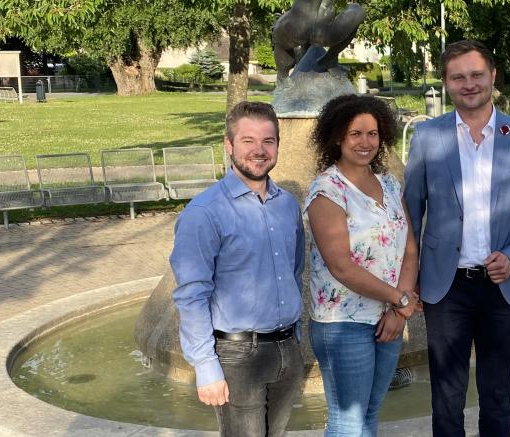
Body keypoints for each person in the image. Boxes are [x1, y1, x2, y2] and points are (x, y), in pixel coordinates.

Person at [403, 39, 510, 437]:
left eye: (475, 75)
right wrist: (409, 279)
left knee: (497, 397)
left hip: (502, 286)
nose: (468, 84)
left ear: (492, 76)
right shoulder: (427, 137)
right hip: (445, 287)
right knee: (446, 401)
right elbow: (409, 211)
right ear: (446, 82)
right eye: (458, 77)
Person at [171, 101, 306, 437]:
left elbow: (294, 270)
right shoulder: (204, 213)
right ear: (228, 145)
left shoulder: (288, 205)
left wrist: (296, 335)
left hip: (286, 349)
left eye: (268, 141)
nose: (259, 151)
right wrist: (205, 367)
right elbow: (191, 295)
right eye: (248, 141)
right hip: (237, 356)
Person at [303, 94, 420, 436]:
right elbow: (341, 266)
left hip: (387, 318)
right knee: (348, 422)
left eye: (372, 134)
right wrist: (400, 300)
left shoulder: (388, 182)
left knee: (369, 416)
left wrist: (399, 310)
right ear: (338, 136)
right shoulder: (327, 190)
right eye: (355, 133)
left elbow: (409, 250)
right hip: (343, 323)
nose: (365, 142)